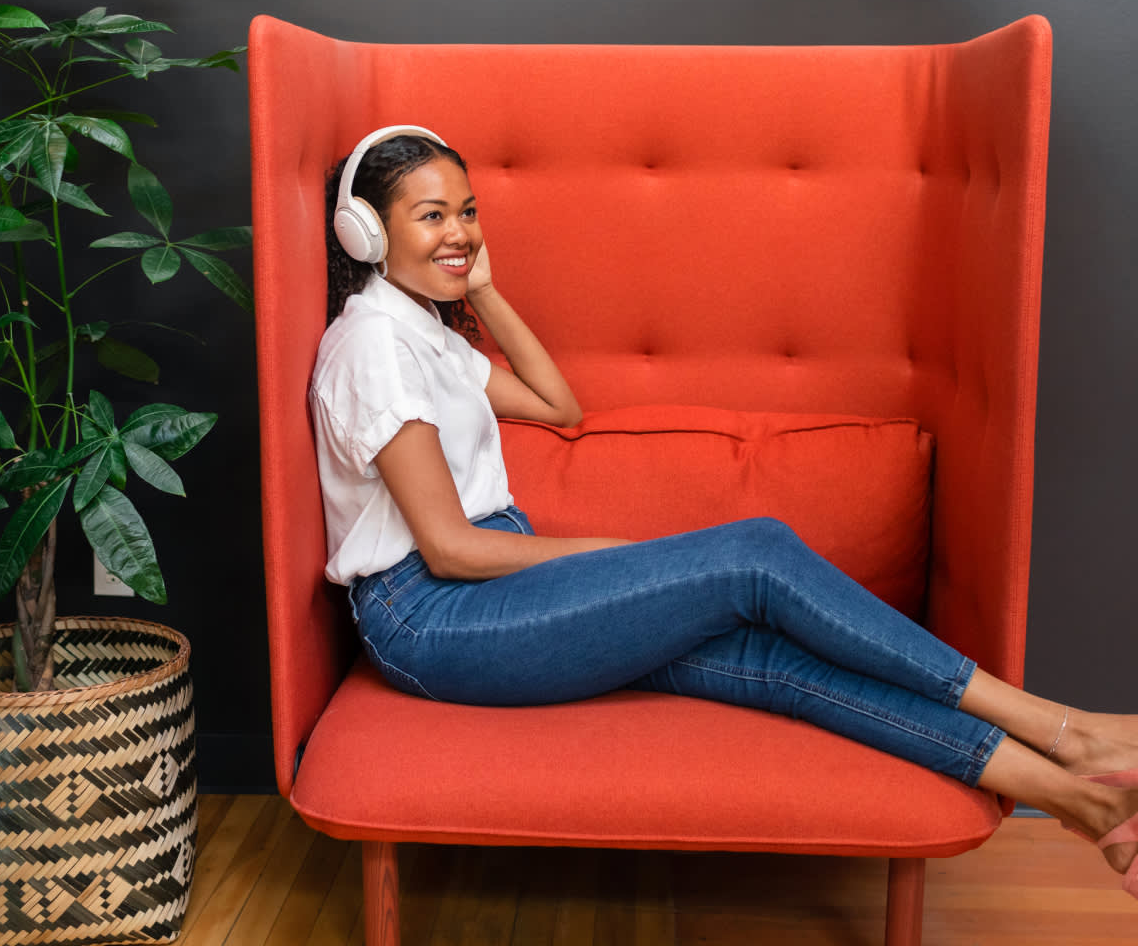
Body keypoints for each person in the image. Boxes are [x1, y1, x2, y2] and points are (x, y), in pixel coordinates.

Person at [309, 127, 1138, 897]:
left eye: (468, 212)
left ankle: (1085, 803)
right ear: (365, 234)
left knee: (771, 663)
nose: (459, 232)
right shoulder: (373, 346)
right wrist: (610, 555)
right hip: (430, 617)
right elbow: (450, 550)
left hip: (497, 591)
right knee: (755, 554)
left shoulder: (424, 333)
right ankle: (1067, 730)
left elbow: (558, 407)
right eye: (431, 217)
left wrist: (481, 289)